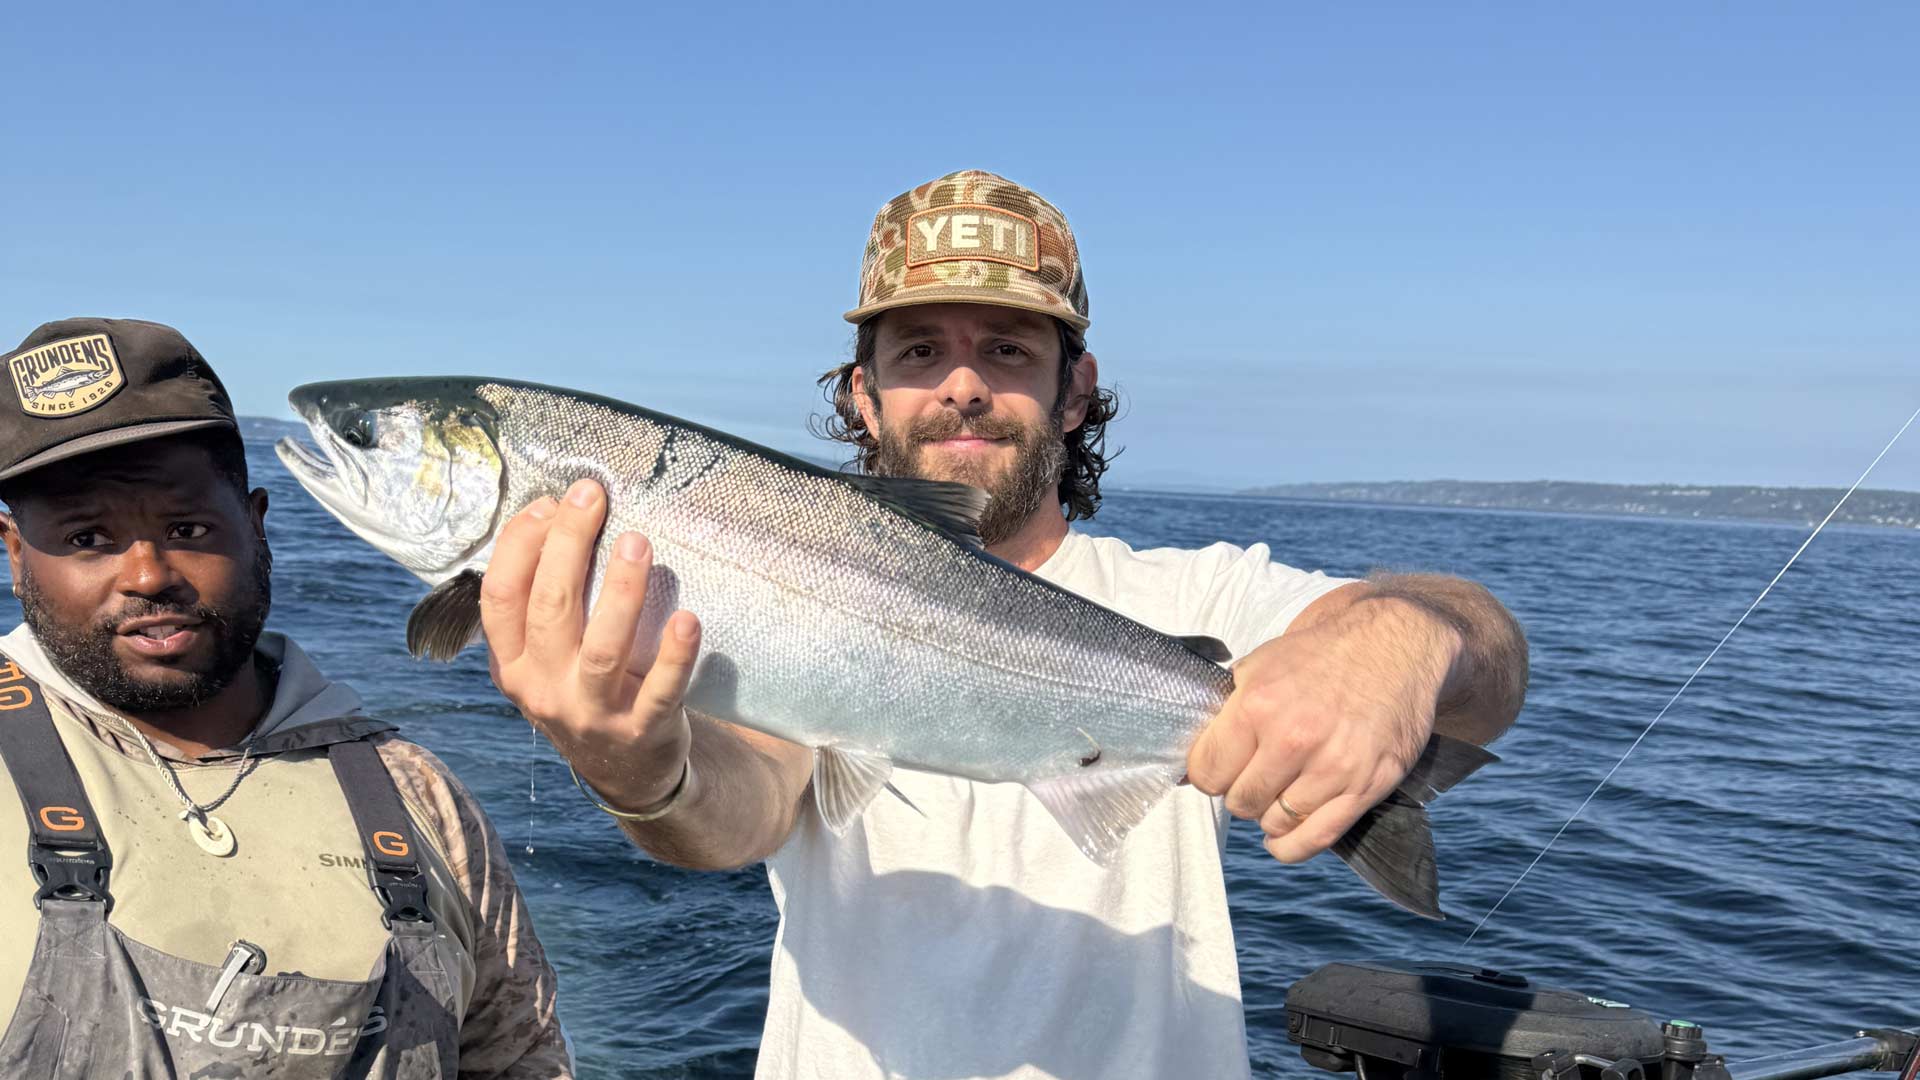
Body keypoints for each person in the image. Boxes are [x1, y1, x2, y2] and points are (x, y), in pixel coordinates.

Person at [481, 171, 1529, 1080]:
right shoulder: (781, 588)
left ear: (1076, 390)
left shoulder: (1197, 602)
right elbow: (742, 805)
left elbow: (1484, 656)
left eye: (1010, 351)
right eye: (922, 350)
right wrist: (639, 770)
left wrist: (1389, 642)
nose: (966, 385)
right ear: (865, 394)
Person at [0, 318, 572, 1078]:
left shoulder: (421, 797)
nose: (147, 575)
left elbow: (521, 1061)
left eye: (188, 526)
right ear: (13, 554)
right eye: (87, 540)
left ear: (257, 526)